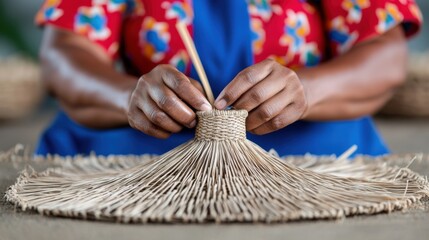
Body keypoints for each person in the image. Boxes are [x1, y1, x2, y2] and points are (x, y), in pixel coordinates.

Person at [35, 0, 422, 156]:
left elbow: (384, 55)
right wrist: (128, 96)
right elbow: (66, 51)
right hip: (141, 164)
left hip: (311, 164)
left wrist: (308, 89)